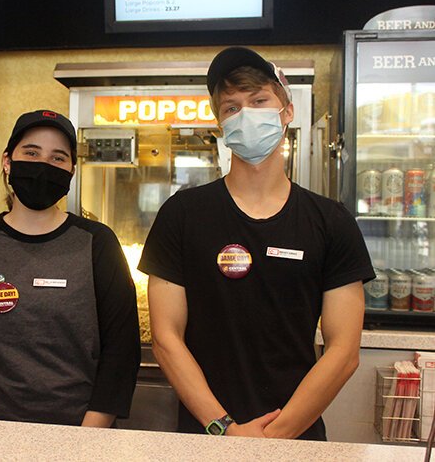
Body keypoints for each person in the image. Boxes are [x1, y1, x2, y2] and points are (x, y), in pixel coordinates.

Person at [138, 47, 375, 440]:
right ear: (220, 124)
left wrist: (275, 437)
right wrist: (224, 429)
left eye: (259, 100)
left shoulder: (331, 221)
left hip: (296, 440)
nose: (246, 114)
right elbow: (166, 338)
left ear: (287, 111)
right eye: (231, 107)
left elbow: (344, 351)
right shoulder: (181, 214)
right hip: (206, 437)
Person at [0, 110, 140, 426]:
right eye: (31, 153)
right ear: (7, 161)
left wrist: (87, 439)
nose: (43, 166)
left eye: (57, 158)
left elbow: (121, 352)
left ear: (72, 170)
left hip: (79, 433)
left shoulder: (97, 243)